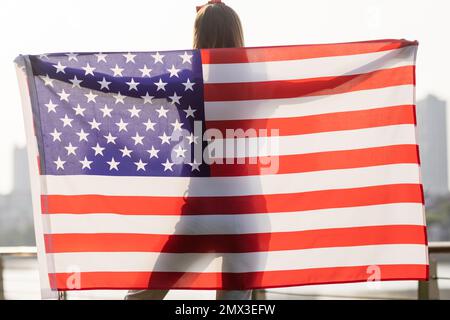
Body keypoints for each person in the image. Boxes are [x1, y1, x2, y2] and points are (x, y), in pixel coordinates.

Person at [125, 1, 255, 300]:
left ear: (197, 36)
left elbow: (124, 85)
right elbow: (311, 86)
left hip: (202, 214)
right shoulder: (252, 82)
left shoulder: (187, 83)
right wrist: (378, 63)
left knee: (142, 297)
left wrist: (50, 70)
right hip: (247, 218)